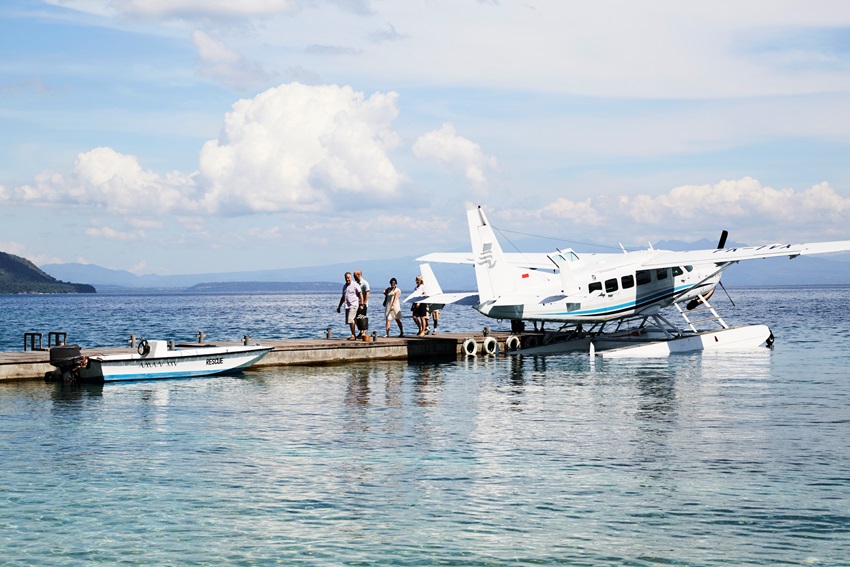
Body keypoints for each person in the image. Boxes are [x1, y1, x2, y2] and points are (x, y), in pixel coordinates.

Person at [336, 271, 362, 340]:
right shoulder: (345, 286)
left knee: (350, 320)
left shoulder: (355, 285)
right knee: (354, 319)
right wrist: (339, 306)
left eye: (348, 278)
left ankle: (353, 335)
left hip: (353, 305)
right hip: (347, 305)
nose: (347, 279)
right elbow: (343, 297)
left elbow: (360, 294)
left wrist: (362, 304)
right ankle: (362, 330)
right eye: (346, 278)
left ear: (351, 278)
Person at [353, 270, 370, 338]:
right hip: (357, 303)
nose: (354, 277)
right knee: (355, 318)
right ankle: (361, 331)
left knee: (362, 318)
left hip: (363, 304)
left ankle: (364, 332)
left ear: (359, 275)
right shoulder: (356, 283)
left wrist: (363, 304)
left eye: (355, 276)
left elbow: (367, 294)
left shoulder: (364, 283)